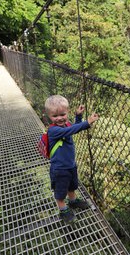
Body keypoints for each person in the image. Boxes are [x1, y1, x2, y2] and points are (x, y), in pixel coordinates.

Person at [45, 95, 99, 224]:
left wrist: (78, 116)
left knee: (72, 186)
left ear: (67, 112)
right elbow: (74, 129)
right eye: (55, 116)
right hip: (59, 169)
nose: (59, 118)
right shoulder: (53, 130)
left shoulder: (66, 125)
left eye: (62, 114)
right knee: (60, 191)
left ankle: (73, 202)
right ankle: (63, 210)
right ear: (49, 117)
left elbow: (73, 127)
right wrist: (87, 122)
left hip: (70, 165)